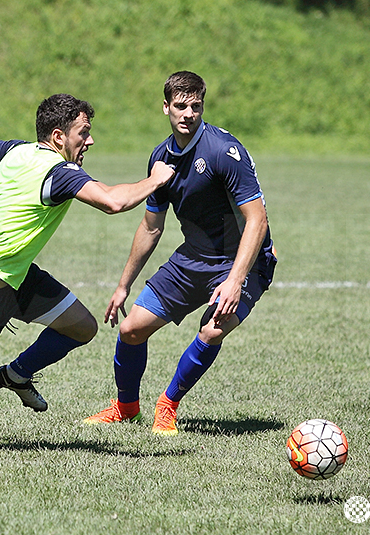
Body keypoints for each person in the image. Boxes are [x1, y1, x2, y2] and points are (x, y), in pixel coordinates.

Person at [0, 93, 175, 439]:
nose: (90, 140)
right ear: (58, 137)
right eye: (82, 133)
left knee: (82, 327)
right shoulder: (59, 173)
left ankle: (17, 374)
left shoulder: (17, 150)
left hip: (18, 277)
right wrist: (157, 179)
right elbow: (114, 202)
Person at [83, 71, 277, 435]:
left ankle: (168, 405)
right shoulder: (160, 158)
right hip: (193, 258)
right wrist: (124, 285)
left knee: (212, 330)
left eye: (196, 106)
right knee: (130, 330)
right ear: (166, 108)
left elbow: (258, 221)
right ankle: (126, 408)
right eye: (180, 106)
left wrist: (235, 282)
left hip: (243, 262)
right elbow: (151, 226)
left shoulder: (223, 152)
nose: (188, 113)